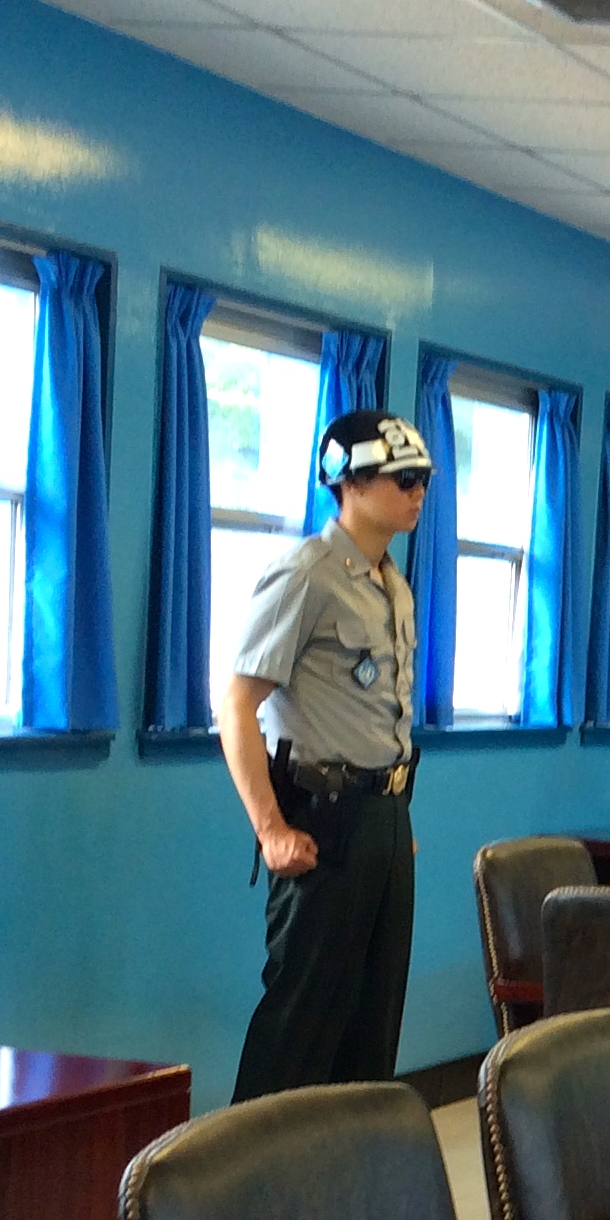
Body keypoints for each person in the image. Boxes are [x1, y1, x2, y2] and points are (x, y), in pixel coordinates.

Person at [219, 408, 431, 1103]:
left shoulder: (393, 584)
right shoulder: (306, 575)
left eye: (422, 480)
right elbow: (237, 706)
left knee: (373, 1025)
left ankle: (349, 1168)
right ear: (352, 482)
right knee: (300, 1023)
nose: (417, 493)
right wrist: (270, 829)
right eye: (403, 479)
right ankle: (245, 1167)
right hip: (322, 822)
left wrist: (392, 820)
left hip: (383, 819)